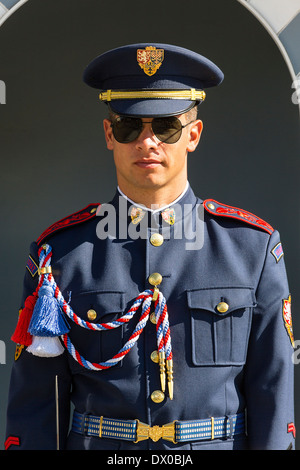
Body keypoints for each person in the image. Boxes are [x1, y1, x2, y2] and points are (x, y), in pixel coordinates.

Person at [5, 43, 295, 450]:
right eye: (129, 127)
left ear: (192, 135)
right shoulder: (62, 255)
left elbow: (272, 391)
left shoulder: (252, 249)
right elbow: (39, 406)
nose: (147, 141)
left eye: (166, 127)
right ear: (110, 134)